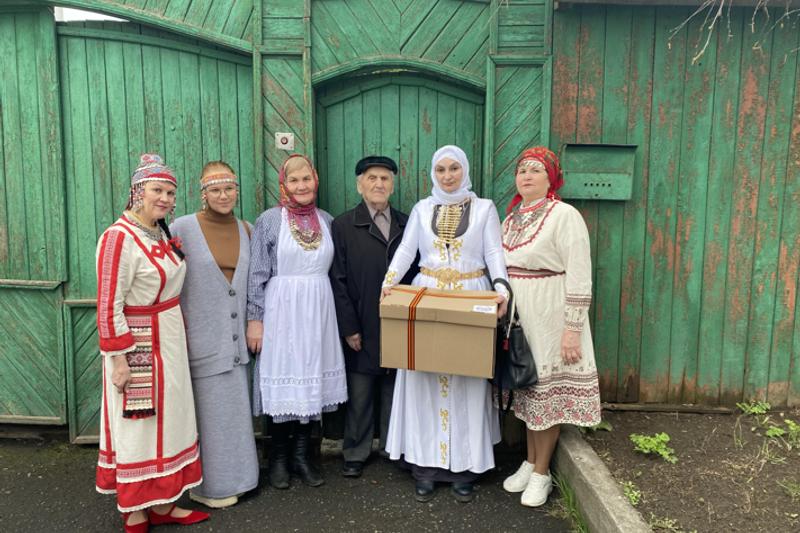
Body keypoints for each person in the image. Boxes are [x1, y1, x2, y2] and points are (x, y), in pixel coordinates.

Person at [380, 145, 509, 503]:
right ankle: (425, 466)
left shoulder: (484, 208)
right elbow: (407, 250)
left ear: (464, 170)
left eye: (454, 168)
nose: (448, 176)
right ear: (432, 174)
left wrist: (501, 288)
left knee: (468, 380)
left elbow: (494, 251)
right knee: (423, 379)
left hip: (470, 297)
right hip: (428, 296)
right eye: (440, 170)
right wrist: (388, 283)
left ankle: (465, 467)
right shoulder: (422, 209)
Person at [95, 154, 209, 532]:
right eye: (157, 190)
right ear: (138, 192)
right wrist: (119, 360)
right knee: (140, 425)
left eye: (170, 193)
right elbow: (108, 302)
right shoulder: (118, 237)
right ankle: (135, 509)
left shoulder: (159, 232)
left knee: (173, 419)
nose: (165, 198)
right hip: (138, 342)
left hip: (170, 336)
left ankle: (164, 503)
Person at [499, 146, 602, 507]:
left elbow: (579, 273)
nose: (526, 176)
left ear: (551, 178)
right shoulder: (511, 219)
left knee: (548, 396)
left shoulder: (564, 216)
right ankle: (530, 462)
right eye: (522, 170)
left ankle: (542, 472)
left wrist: (572, 329)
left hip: (551, 314)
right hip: (521, 317)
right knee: (530, 392)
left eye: (535, 170)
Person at [247, 154, 348, 489]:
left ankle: (302, 456)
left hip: (318, 311)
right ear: (284, 184)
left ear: (315, 180)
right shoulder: (269, 221)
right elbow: (256, 273)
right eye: (294, 180)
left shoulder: (327, 221)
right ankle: (278, 458)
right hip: (281, 310)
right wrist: (255, 319)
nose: (301, 186)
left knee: (310, 378)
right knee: (283, 377)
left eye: (306, 179)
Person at [170, 161, 259, 508]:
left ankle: (243, 478)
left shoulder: (246, 229)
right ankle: (210, 487)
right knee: (209, 417)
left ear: (237, 190)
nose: (223, 195)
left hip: (236, 339)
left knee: (235, 413)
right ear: (203, 193)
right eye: (215, 190)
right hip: (202, 336)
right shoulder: (182, 228)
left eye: (229, 189)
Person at [329, 155, 417, 478]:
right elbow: (337, 279)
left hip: (398, 320)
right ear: (360, 185)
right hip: (362, 319)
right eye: (372, 178)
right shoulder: (343, 225)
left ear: (392, 186)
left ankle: (394, 448)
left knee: (396, 388)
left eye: (385, 179)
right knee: (361, 390)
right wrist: (349, 326)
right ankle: (356, 451)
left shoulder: (407, 224)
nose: (379, 184)